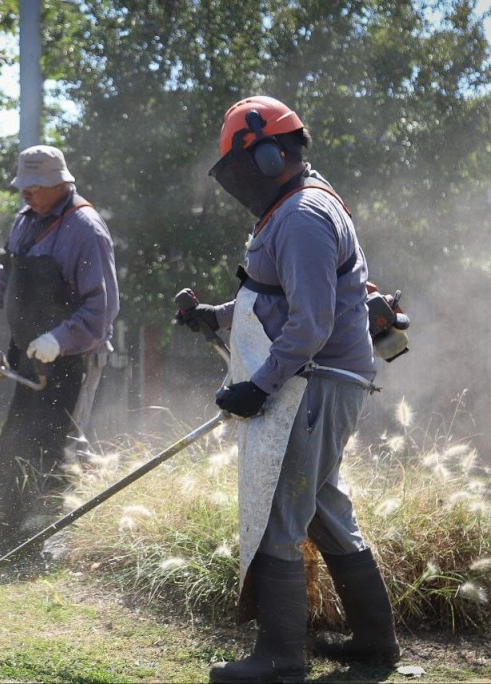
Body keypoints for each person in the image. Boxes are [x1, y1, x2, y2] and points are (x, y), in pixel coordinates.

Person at [176, 96, 400, 683]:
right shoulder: (294, 208)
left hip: (313, 382)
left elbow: (311, 322)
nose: (241, 182)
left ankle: (280, 659)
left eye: (243, 166)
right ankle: (375, 644)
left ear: (270, 156)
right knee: (325, 512)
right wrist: (215, 316)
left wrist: (259, 385)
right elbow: (273, 298)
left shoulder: (301, 216)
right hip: (317, 381)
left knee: (280, 509)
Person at [0, 144, 119, 567]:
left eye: (34, 185)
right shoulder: (25, 222)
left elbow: (101, 311)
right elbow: (1, 284)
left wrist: (59, 340)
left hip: (74, 358)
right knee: (19, 445)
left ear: (59, 183)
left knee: (58, 447)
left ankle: (76, 540)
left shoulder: (86, 228)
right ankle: (11, 543)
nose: (25, 192)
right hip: (30, 357)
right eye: (23, 185)